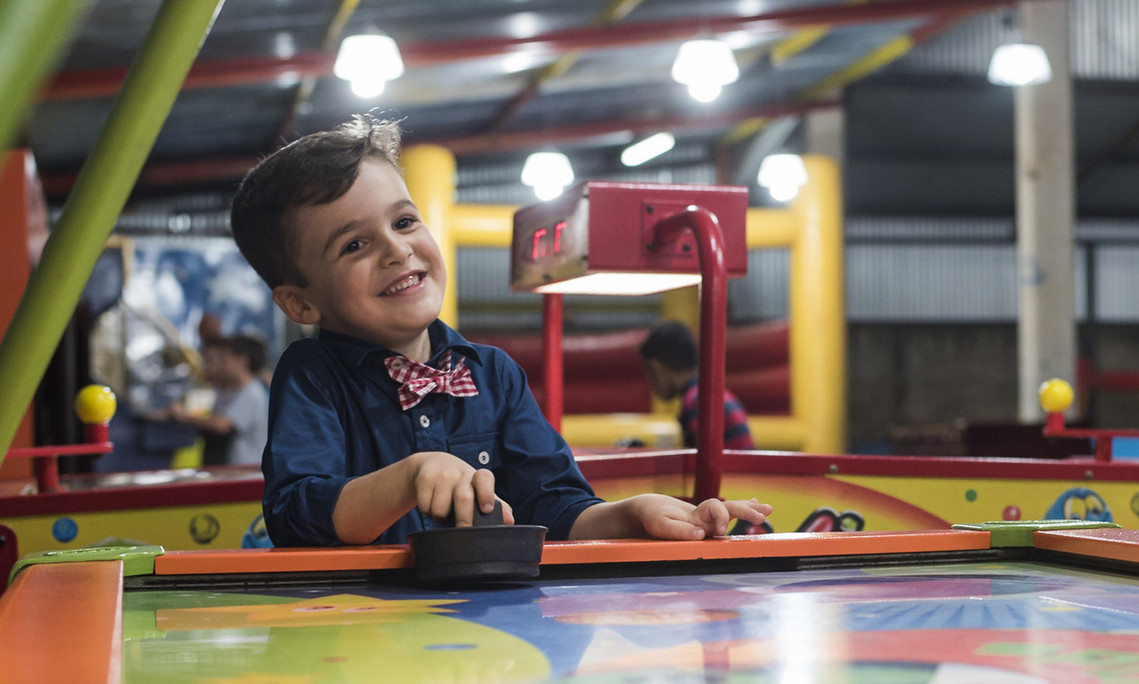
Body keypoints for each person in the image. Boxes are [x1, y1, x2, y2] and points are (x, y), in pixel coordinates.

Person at [229, 114, 770, 547]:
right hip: (358, 637)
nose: (397, 250)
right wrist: (407, 477)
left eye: (403, 222)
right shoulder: (312, 376)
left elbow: (552, 507)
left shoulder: (493, 374)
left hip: (490, 639)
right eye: (354, 245)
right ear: (300, 302)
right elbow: (297, 515)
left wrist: (632, 515)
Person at [639, 320, 755, 451]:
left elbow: (701, 463)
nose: (650, 384)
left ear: (656, 367)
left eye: (647, 373)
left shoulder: (697, 401)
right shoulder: (710, 394)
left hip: (731, 471)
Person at [154, 334, 269, 465]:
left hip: (247, 471)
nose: (219, 364)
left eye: (224, 358)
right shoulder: (229, 390)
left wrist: (182, 416)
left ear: (242, 361)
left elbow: (222, 425)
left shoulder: (251, 393)